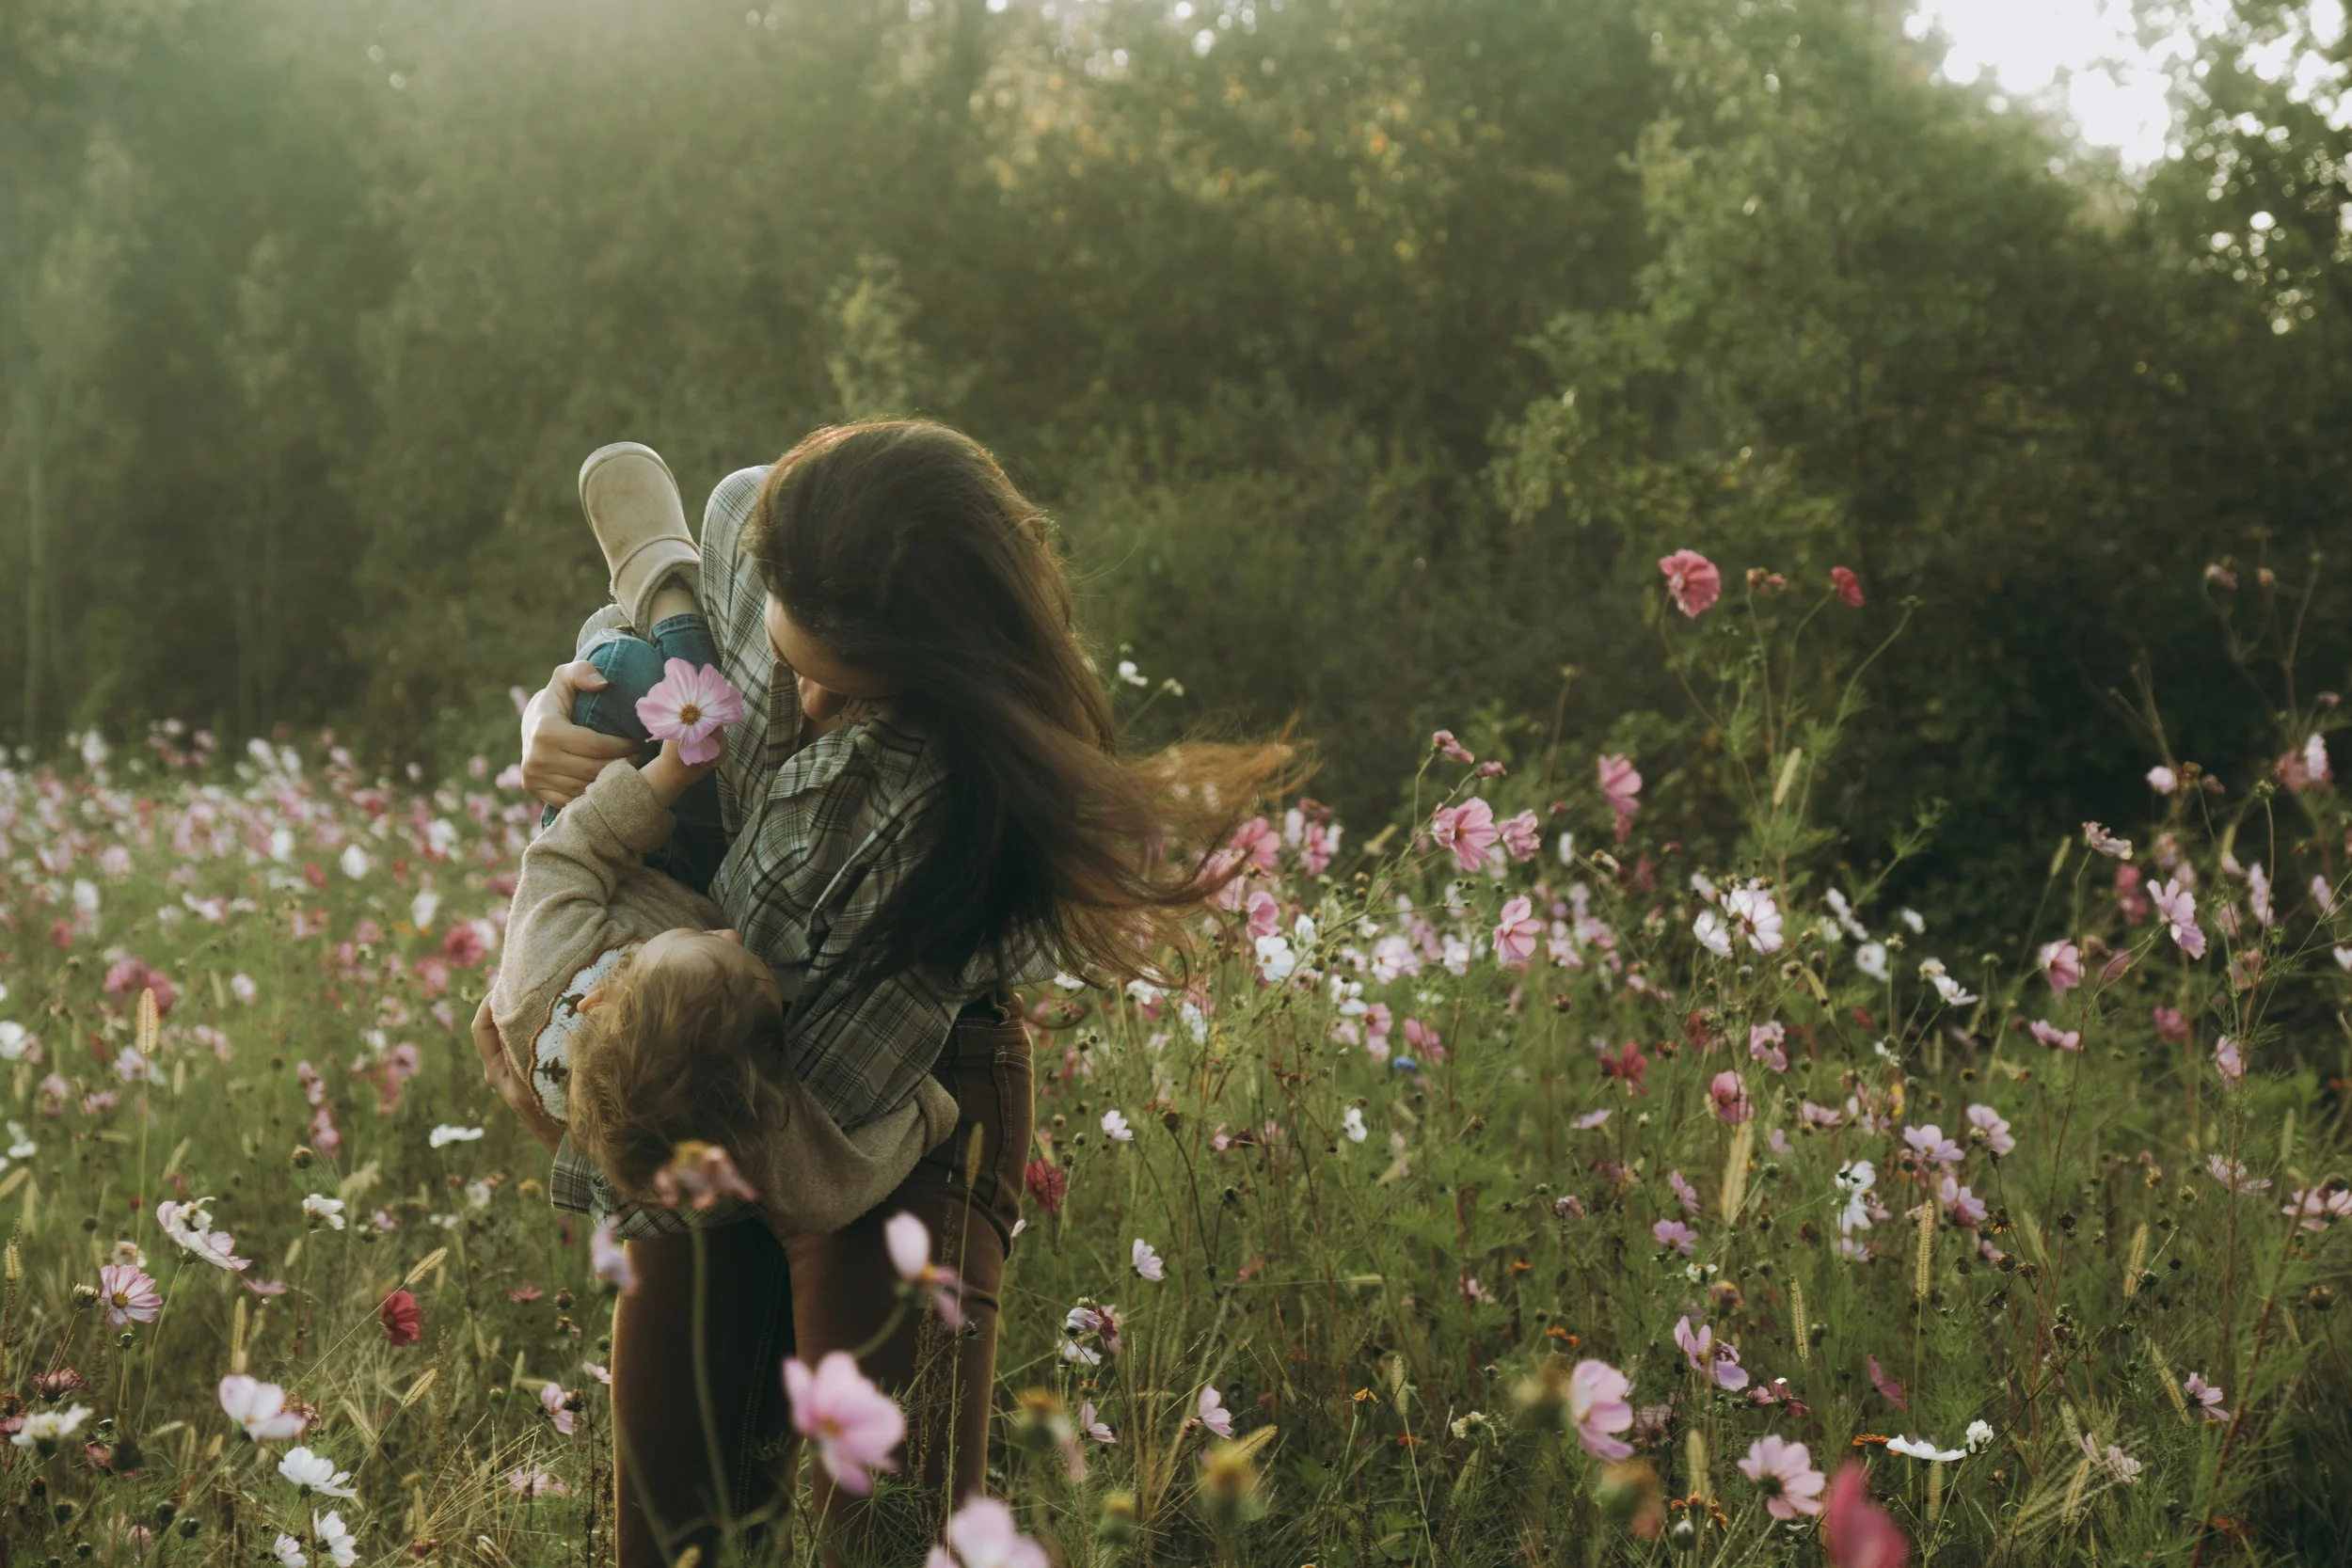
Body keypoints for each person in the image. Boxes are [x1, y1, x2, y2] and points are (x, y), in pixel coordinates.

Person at [491, 423, 1290, 1564]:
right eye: (793, 657)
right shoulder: (744, 526)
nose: (804, 701)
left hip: (887, 1100)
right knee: (675, 1524)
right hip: (676, 1046)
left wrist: (586, 1052)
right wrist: (557, 731)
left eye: (847, 687)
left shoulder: (965, 814)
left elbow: (820, 1132)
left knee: (880, 1521)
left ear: (941, 674)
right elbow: (665, 666)